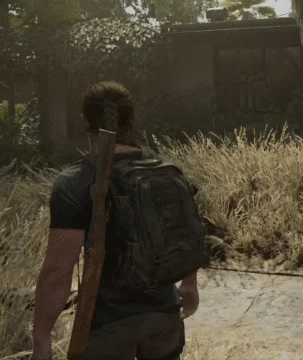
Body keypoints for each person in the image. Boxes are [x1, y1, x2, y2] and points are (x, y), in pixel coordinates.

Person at [31, 81, 201, 360]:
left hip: (108, 326)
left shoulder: (77, 181)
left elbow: (57, 272)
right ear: (132, 120)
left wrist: (41, 340)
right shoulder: (162, 170)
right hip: (164, 316)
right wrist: (189, 283)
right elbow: (185, 230)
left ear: (85, 122)